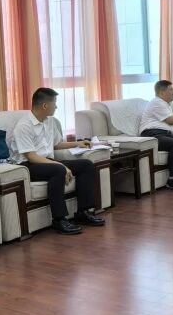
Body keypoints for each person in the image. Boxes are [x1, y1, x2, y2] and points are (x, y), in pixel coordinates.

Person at [9, 87, 105, 235]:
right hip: (28, 166)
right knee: (58, 169)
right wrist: (60, 165)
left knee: (86, 165)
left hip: (47, 161)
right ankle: (59, 219)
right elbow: (31, 156)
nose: (56, 106)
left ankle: (83, 212)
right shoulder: (24, 126)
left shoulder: (50, 121)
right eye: (54, 103)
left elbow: (56, 144)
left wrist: (77, 143)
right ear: (45, 105)